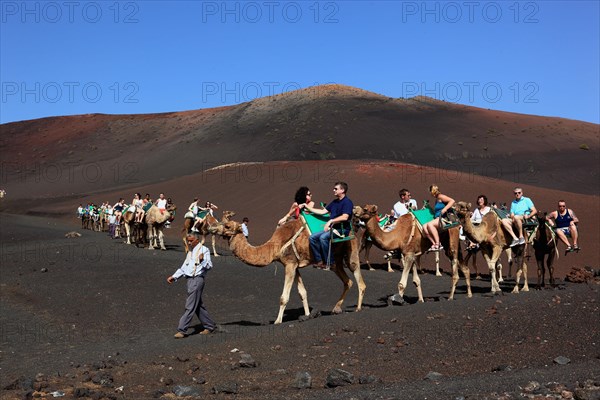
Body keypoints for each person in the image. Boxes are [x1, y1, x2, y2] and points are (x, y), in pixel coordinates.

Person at [167, 235, 216, 338]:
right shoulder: (190, 252)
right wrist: (174, 276)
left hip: (197, 279)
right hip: (189, 280)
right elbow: (184, 267)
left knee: (190, 305)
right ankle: (210, 325)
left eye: (191, 241)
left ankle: (182, 330)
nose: (189, 243)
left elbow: (209, 266)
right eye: (188, 241)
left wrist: (202, 260)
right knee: (197, 305)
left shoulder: (204, 250)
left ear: (197, 240)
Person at [304, 182, 354, 269]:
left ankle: (331, 262)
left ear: (342, 190)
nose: (333, 190)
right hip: (333, 228)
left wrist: (331, 221)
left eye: (336, 189)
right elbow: (323, 211)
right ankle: (319, 261)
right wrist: (307, 207)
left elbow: (345, 217)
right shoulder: (334, 202)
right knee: (312, 237)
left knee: (323, 238)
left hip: (342, 229)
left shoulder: (347, 202)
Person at [423, 185, 455, 252]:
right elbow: (436, 211)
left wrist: (445, 209)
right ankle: (434, 244)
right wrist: (427, 207)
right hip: (437, 218)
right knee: (424, 227)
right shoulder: (437, 199)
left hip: (443, 219)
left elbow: (452, 201)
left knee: (430, 225)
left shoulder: (441, 196)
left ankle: (438, 244)